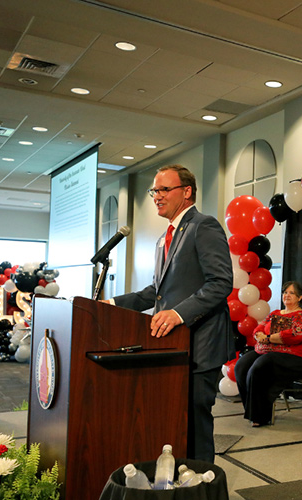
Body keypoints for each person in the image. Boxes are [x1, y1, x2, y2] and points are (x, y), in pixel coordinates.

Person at [111, 164, 233, 463]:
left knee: (195, 421)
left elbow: (221, 283)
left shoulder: (203, 226)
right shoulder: (163, 237)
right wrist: (112, 305)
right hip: (174, 346)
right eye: (155, 190)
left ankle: (204, 487)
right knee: (175, 421)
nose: (156, 196)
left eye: (164, 189)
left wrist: (178, 314)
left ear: (187, 191)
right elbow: (157, 291)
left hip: (201, 345)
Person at [235, 281, 302, 427]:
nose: (287, 295)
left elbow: (296, 335)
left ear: (300, 297)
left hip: (294, 358)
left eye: (291, 293)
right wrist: (259, 334)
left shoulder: (301, 317)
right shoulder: (275, 314)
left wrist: (269, 337)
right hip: (267, 351)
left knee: (260, 365)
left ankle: (260, 416)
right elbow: (260, 327)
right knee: (241, 366)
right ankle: (252, 410)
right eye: (285, 292)